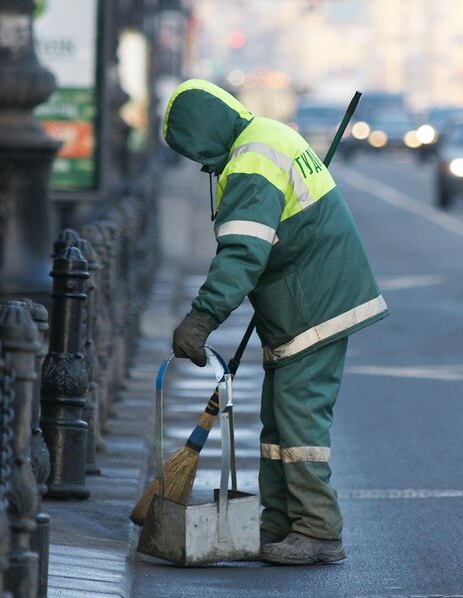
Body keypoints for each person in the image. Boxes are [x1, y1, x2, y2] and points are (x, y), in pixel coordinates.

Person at [162, 79, 388, 565]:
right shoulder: (264, 136)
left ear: (200, 135)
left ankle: (319, 530)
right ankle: (278, 521)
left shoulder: (251, 162)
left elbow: (243, 252)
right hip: (301, 299)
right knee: (278, 419)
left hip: (315, 304)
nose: (200, 165)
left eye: (194, 154)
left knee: (300, 418)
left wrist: (201, 319)